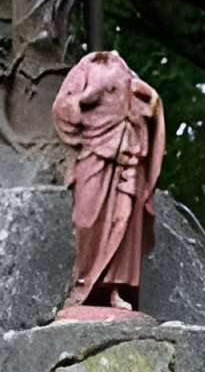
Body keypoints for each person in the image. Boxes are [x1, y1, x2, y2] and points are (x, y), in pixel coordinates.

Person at [52, 48, 165, 316]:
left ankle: (115, 290)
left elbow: (149, 106)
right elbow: (62, 106)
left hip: (128, 157)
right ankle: (82, 287)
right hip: (95, 152)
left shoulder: (127, 73)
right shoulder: (83, 68)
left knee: (123, 222)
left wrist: (149, 101)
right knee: (86, 220)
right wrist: (86, 99)